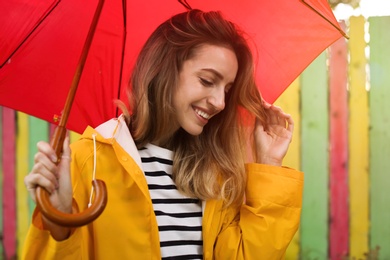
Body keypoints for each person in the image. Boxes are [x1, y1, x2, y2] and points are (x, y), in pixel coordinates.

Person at [23, 9, 303, 259]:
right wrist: (59, 222)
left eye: (227, 90)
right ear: (164, 70)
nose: (220, 102)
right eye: (207, 81)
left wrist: (270, 164)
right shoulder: (91, 160)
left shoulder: (216, 174)